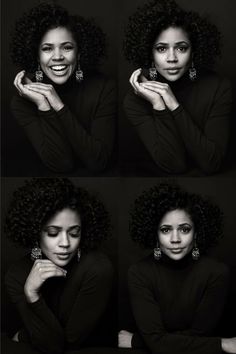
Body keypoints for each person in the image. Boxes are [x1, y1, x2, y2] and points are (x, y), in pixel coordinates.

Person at [118, 183, 236, 354]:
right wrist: (222, 344)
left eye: (184, 229)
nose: (175, 239)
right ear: (155, 235)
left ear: (196, 233)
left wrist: (139, 341)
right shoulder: (139, 272)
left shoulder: (216, 273)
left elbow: (198, 336)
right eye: (166, 230)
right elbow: (157, 341)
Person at [4, 178, 114, 354]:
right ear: (35, 233)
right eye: (53, 233)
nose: (65, 243)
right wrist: (32, 294)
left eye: (74, 233)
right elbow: (51, 345)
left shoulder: (97, 267)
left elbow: (66, 345)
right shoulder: (16, 275)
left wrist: (26, 336)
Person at [123, 0, 232, 175]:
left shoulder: (219, 88)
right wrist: (159, 105)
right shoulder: (135, 100)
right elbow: (175, 165)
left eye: (181, 48)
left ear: (194, 52)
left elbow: (211, 163)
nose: (172, 58)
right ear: (149, 53)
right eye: (161, 49)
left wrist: (173, 104)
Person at [10, 3, 116, 174]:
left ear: (79, 53)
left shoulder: (105, 89)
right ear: (36, 56)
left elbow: (98, 162)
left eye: (67, 47)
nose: (58, 57)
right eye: (47, 49)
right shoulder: (22, 102)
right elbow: (62, 164)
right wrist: (44, 106)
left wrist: (57, 104)